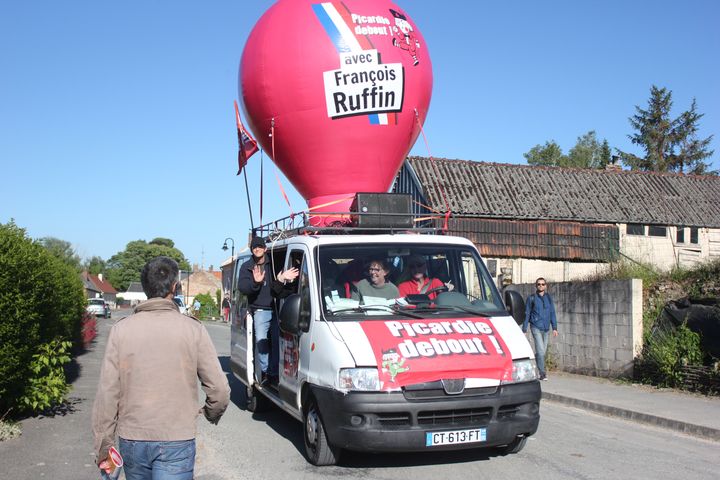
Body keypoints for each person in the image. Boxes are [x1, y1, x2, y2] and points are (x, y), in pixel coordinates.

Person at [92, 256, 230, 480]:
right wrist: (210, 413)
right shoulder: (193, 329)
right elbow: (220, 390)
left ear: (145, 288)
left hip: (132, 438)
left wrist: (104, 446)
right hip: (177, 438)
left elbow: (107, 393)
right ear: (175, 288)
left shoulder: (121, 330)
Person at [237, 236, 299, 385]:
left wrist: (282, 280)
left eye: (259, 246)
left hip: (277, 308)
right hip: (260, 310)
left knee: (277, 343)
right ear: (252, 250)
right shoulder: (246, 267)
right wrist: (256, 283)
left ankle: (272, 373)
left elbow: (277, 290)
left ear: (265, 248)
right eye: (254, 247)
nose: (257, 249)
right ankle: (264, 371)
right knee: (261, 342)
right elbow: (243, 288)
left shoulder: (273, 263)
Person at [522, 277, 558, 381]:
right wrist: (524, 329)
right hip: (536, 326)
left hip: (546, 328)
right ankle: (542, 373)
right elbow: (527, 313)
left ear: (546, 286)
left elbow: (552, 312)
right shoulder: (531, 298)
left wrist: (554, 327)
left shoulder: (548, 298)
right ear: (536, 286)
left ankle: (533, 367)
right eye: (539, 284)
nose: (541, 286)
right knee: (541, 351)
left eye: (543, 284)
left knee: (542, 351)